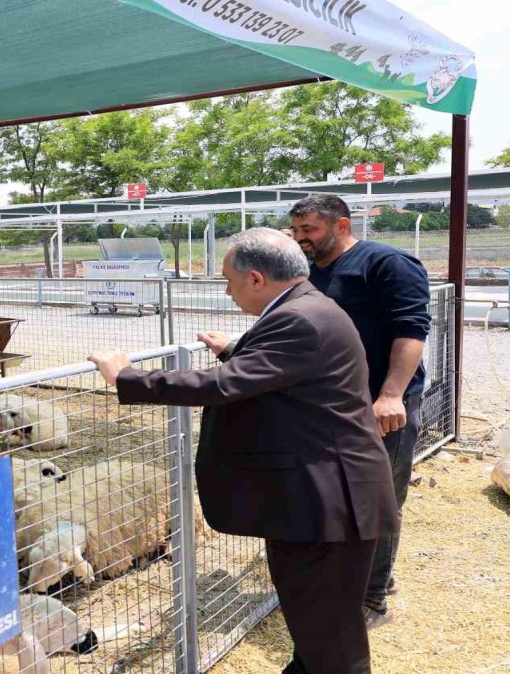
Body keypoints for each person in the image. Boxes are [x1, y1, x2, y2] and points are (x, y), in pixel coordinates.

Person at [88, 228, 398, 674]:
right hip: (326, 500)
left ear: (255, 278)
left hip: (327, 506)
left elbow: (223, 386)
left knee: (332, 644)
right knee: (320, 631)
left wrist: (127, 377)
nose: (228, 292)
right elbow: (288, 372)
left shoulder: (299, 319)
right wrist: (235, 349)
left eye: (228, 282)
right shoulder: (309, 309)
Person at [289, 194, 430, 630]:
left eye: (309, 230)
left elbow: (411, 330)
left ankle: (373, 596)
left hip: (381, 406)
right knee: (337, 495)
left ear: (342, 225)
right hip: (330, 405)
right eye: (296, 231)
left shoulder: (386, 263)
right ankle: (346, 579)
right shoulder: (308, 271)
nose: (301, 239)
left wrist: (390, 396)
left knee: (380, 499)